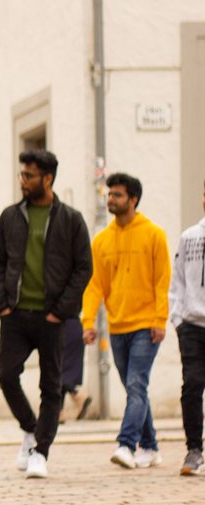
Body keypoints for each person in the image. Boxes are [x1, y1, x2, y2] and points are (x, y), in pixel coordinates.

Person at [0, 149, 92, 479]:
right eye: (22, 175)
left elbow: (83, 269)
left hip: (53, 317)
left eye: (29, 176)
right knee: (6, 374)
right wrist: (1, 304)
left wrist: (61, 311)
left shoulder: (71, 220)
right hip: (16, 315)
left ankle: (40, 452)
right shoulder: (10, 217)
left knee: (52, 386)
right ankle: (32, 429)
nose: (23, 181)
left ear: (47, 179)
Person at [82, 173, 171, 470]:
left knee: (135, 383)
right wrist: (88, 321)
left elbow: (162, 282)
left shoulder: (154, 234)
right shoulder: (103, 240)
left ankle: (126, 444)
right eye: (109, 194)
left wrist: (160, 319)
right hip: (118, 327)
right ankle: (151, 447)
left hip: (146, 325)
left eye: (117, 195)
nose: (111, 199)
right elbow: (96, 284)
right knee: (136, 389)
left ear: (133, 200)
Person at [170, 178, 205, 477]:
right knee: (192, 385)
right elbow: (177, 281)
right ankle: (194, 449)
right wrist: (178, 319)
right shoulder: (190, 236)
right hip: (192, 324)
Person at [58, 317, 92, 422]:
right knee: (63, 370)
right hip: (76, 327)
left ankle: (77, 396)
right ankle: (58, 412)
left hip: (64, 328)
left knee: (58, 370)